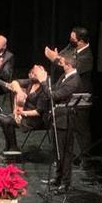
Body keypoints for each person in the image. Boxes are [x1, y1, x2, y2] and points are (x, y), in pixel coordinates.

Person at [33, 55, 82, 192]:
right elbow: (53, 90)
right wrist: (45, 84)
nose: (61, 65)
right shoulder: (64, 76)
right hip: (58, 119)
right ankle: (58, 178)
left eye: (62, 63)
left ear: (69, 65)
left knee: (65, 153)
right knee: (58, 152)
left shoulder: (74, 81)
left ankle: (65, 183)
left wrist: (43, 81)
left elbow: (54, 96)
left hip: (66, 121)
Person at [44, 26, 94, 160]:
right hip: (68, 90)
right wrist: (57, 57)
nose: (70, 40)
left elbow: (71, 66)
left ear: (81, 41)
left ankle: (84, 156)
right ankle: (70, 153)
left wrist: (56, 58)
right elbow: (63, 57)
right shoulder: (72, 47)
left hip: (80, 94)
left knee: (81, 127)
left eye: (73, 39)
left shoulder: (87, 57)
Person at [0, 65, 50, 153]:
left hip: (36, 119)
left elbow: (38, 112)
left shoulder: (44, 90)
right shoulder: (31, 82)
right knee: (2, 119)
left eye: (35, 74)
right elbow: (15, 82)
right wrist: (20, 92)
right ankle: (9, 146)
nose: (32, 75)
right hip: (24, 113)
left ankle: (13, 147)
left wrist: (21, 113)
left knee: (6, 121)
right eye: (32, 73)